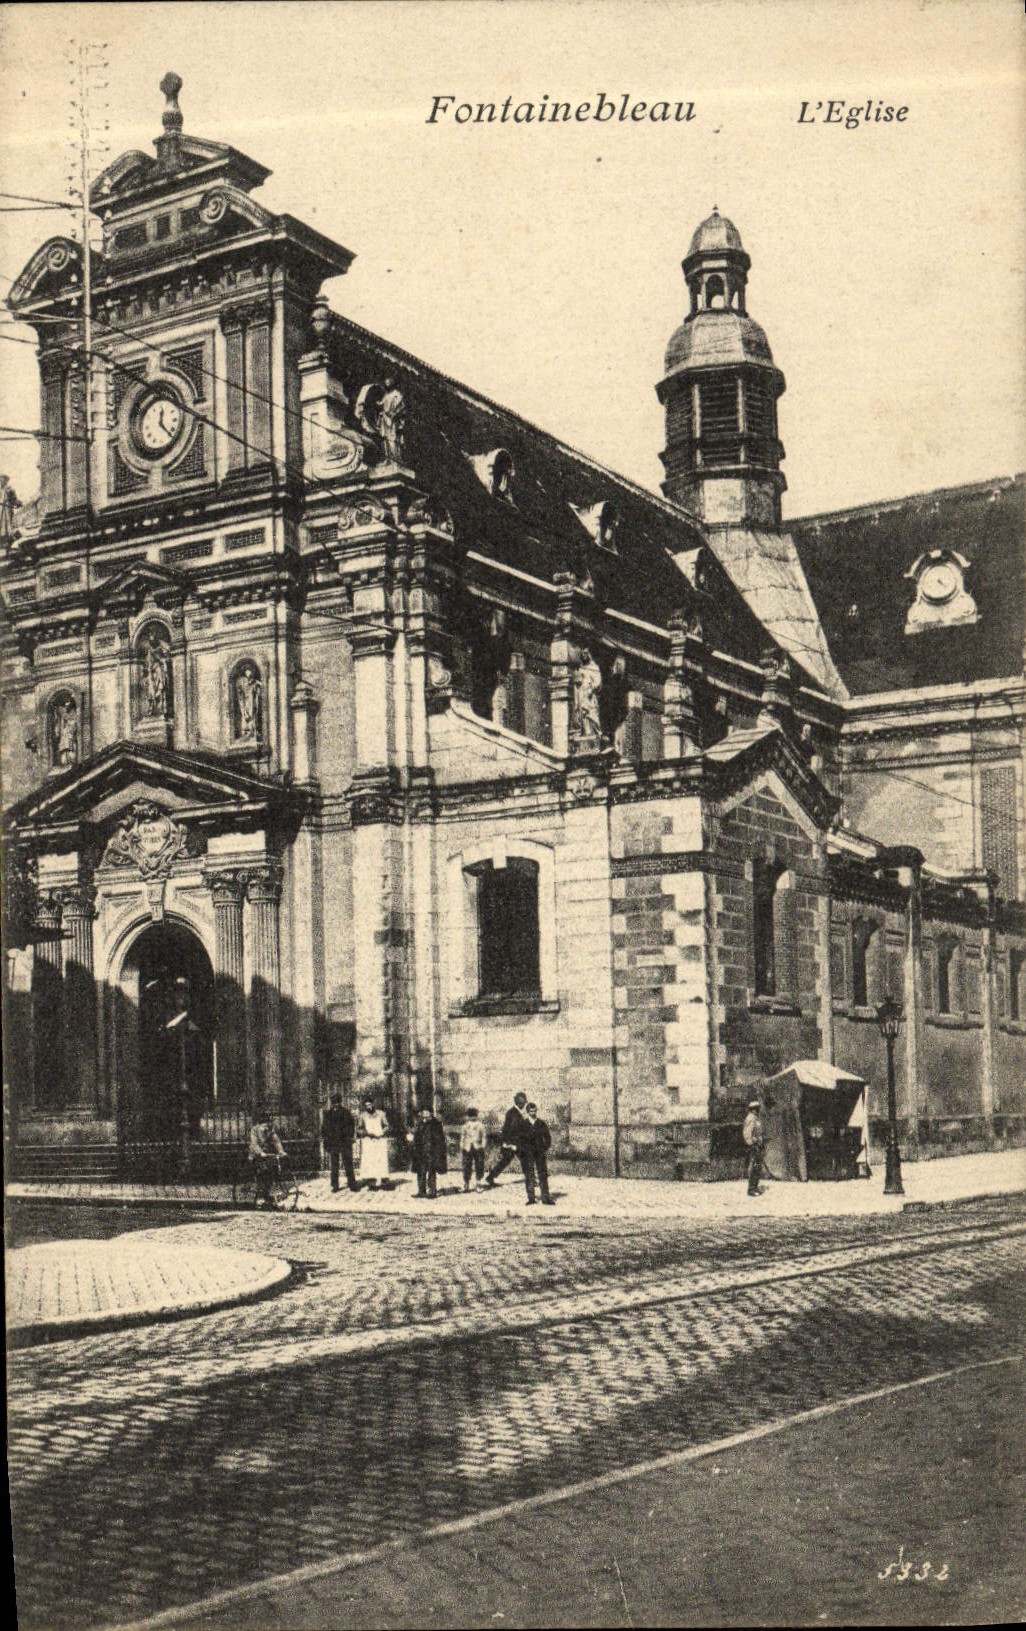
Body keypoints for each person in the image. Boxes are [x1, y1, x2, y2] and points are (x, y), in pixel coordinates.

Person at [484, 1092, 529, 1187]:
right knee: (517, 1159)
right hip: (512, 1142)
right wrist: (508, 1142)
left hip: (513, 1142)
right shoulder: (513, 1113)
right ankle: (490, 1177)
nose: (524, 1105)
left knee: (514, 1160)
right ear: (519, 1102)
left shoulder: (514, 1112)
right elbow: (510, 1129)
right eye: (524, 1103)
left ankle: (490, 1177)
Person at [321, 1091, 358, 1193]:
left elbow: (351, 1126)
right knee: (334, 1164)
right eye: (334, 1102)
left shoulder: (346, 1112)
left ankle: (352, 1184)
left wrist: (350, 1137)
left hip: (345, 1141)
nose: (336, 1104)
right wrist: (326, 1140)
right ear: (332, 1103)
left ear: (340, 1102)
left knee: (348, 1163)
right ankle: (335, 1185)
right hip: (334, 1143)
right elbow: (324, 1128)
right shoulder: (328, 1114)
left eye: (338, 1102)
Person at [248, 1112, 287, 1209]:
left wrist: (281, 1151)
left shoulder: (270, 1130)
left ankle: (268, 1192)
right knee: (263, 1171)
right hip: (256, 1156)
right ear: (260, 1124)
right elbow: (254, 1144)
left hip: (267, 1155)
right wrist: (260, 1152)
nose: (266, 1127)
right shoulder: (254, 1130)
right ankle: (261, 1195)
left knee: (274, 1169)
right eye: (264, 1125)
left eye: (268, 1124)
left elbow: (276, 1141)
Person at [409, 1105, 448, 1199]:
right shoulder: (419, 1123)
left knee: (431, 1172)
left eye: (427, 1112)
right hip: (420, 1152)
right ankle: (421, 1191)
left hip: (432, 1152)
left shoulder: (436, 1124)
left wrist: (438, 1151)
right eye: (423, 1112)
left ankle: (432, 1191)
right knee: (420, 1172)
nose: (424, 1114)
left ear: (431, 1113)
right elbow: (416, 1136)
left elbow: (440, 1139)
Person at [523, 1102, 555, 1205]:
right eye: (531, 1111)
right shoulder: (523, 1124)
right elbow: (519, 1139)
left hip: (540, 1153)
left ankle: (545, 1198)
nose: (533, 1113)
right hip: (528, 1154)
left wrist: (543, 1148)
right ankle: (531, 1198)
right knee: (529, 1175)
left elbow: (548, 1138)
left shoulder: (541, 1123)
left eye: (535, 1110)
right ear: (528, 1112)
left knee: (543, 1175)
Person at [358, 1096, 391, 1189]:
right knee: (370, 1161)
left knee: (381, 1160)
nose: (369, 1107)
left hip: (380, 1140)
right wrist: (367, 1133)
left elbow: (387, 1126)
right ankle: (371, 1182)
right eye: (366, 1105)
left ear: (373, 1104)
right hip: (369, 1140)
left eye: (370, 1104)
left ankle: (384, 1181)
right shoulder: (362, 1115)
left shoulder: (381, 1114)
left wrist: (382, 1132)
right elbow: (359, 1129)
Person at [742, 1098, 766, 1196]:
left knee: (757, 1168)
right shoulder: (750, 1118)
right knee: (754, 1168)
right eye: (757, 1108)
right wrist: (752, 1144)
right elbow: (747, 1134)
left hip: (758, 1145)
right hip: (754, 1146)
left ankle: (755, 1187)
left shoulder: (756, 1118)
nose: (758, 1110)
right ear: (753, 1109)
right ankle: (751, 1189)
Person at [460, 1107, 487, 1192]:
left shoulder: (481, 1125)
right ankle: (466, 1183)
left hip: (477, 1147)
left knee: (479, 1165)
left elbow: (484, 1137)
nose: (472, 1118)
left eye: (474, 1115)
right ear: (467, 1116)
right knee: (466, 1165)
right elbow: (463, 1137)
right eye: (470, 1116)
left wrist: (483, 1146)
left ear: (476, 1116)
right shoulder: (465, 1126)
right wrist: (462, 1145)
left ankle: (478, 1183)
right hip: (467, 1147)